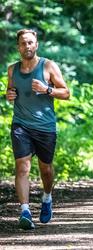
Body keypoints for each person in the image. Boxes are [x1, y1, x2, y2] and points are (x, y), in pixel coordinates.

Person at [6, 29, 70, 230]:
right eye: (23, 43)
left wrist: (47, 89)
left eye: (31, 42)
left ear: (36, 45)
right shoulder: (12, 70)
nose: (27, 46)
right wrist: (9, 95)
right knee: (22, 167)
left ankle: (47, 197)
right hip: (21, 124)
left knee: (46, 169)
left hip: (45, 127)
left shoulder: (48, 66)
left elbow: (66, 93)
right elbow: (11, 91)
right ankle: (25, 211)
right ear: (18, 47)